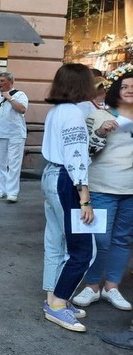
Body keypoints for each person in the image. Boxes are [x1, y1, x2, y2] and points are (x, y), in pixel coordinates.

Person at [72, 66, 133, 312]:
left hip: (130, 190)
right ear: (116, 91)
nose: (129, 90)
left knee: (123, 239)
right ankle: (92, 285)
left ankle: (112, 287)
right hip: (101, 187)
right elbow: (85, 151)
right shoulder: (98, 115)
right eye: (125, 86)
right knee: (99, 240)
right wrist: (100, 132)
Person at [41, 63, 96, 332]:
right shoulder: (73, 113)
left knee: (55, 242)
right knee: (83, 250)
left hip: (52, 175)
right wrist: (85, 197)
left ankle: (53, 297)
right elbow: (76, 157)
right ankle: (58, 303)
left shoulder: (56, 110)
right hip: (66, 180)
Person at [0, 72, 28, 203]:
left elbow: (22, 109)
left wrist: (9, 98)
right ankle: (0, 190)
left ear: (10, 82)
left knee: (14, 163)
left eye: (2, 81)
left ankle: (12, 192)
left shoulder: (20, 95)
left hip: (16, 134)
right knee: (0, 163)